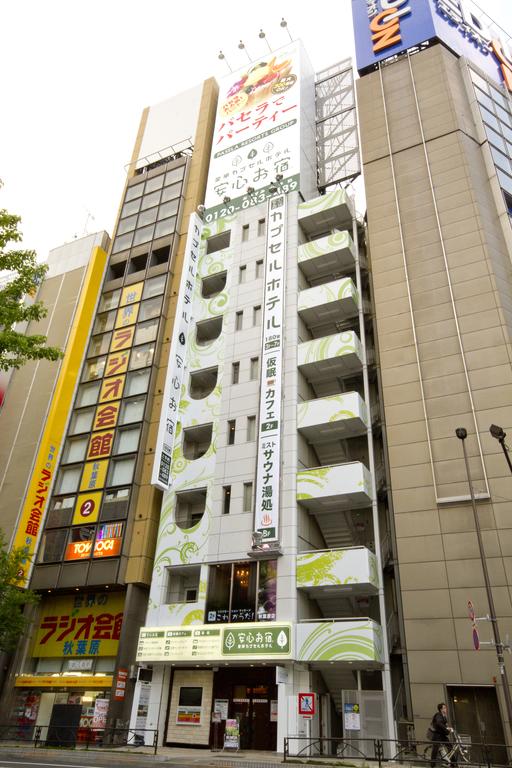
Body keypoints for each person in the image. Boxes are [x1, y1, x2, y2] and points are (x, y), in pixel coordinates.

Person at [430, 702, 454, 767]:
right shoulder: (438, 715)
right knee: (435, 751)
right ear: (441, 709)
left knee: (450, 747)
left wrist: (449, 729)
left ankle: (453, 764)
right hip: (437, 736)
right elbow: (438, 723)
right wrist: (446, 728)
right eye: (444, 708)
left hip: (442, 736)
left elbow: (445, 726)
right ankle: (432, 765)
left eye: (446, 708)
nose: (446, 709)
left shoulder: (444, 717)